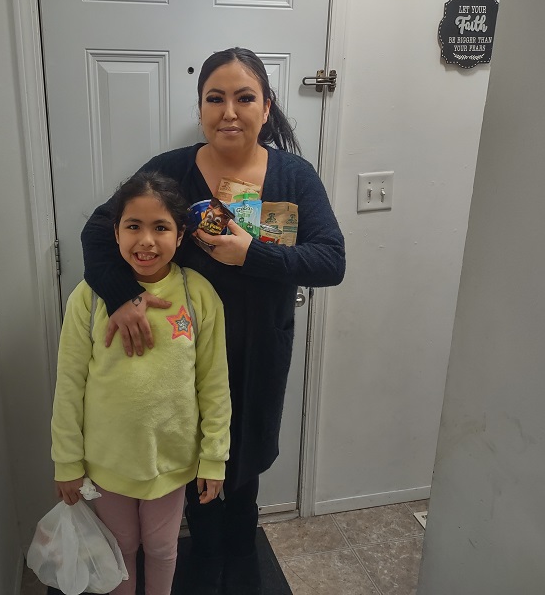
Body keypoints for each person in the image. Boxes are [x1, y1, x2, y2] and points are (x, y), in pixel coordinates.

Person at [80, 47, 346, 595]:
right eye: (216, 98)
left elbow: (331, 261)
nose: (230, 111)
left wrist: (254, 254)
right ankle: (201, 567)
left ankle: (240, 565)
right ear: (200, 107)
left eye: (245, 97)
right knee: (194, 475)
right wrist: (123, 296)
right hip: (181, 361)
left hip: (258, 355)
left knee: (243, 473)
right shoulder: (171, 172)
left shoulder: (294, 177)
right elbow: (98, 232)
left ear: (266, 107)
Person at [51, 171, 232, 595]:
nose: (146, 240)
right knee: (119, 546)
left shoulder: (198, 296)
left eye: (161, 227)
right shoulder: (89, 298)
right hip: (106, 460)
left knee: (162, 545)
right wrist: (66, 461)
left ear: (181, 234)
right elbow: (69, 383)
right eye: (133, 226)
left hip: (170, 460)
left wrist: (213, 457)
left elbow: (214, 384)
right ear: (115, 232)